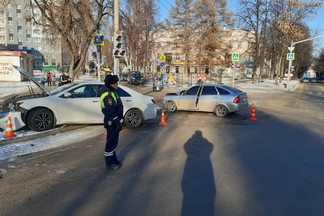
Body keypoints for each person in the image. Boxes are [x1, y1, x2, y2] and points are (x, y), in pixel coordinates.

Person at [99, 75, 124, 170]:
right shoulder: (107, 94)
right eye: (115, 83)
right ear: (110, 84)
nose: (117, 84)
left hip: (114, 120)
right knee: (111, 142)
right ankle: (109, 163)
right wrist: (116, 121)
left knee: (114, 141)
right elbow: (110, 110)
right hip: (111, 121)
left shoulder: (112, 91)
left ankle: (114, 159)